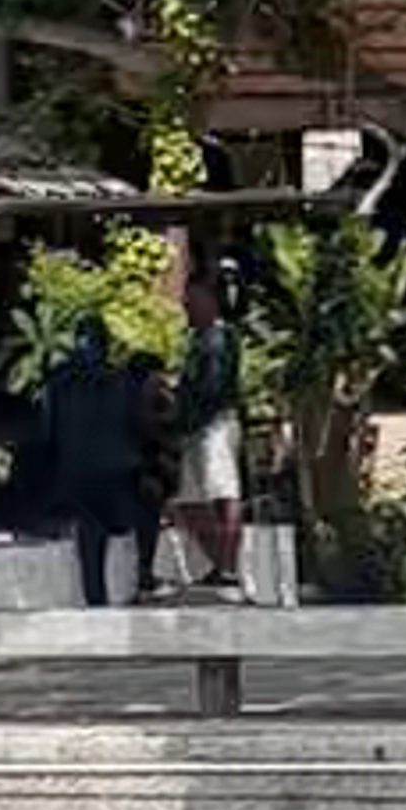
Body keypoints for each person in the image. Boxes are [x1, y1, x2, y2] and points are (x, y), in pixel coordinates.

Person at [45, 314, 161, 610]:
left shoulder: (59, 381)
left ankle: (96, 598)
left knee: (91, 536)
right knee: (143, 512)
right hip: (116, 473)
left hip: (76, 473)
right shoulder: (120, 382)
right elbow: (138, 426)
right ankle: (142, 576)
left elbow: (48, 429)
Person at [168, 251, 249, 595]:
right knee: (189, 500)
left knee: (222, 492)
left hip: (213, 423)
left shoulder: (217, 339)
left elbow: (213, 388)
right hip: (196, 426)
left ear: (208, 301)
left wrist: (183, 407)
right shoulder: (199, 340)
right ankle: (220, 562)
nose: (186, 304)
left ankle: (228, 565)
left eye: (192, 298)